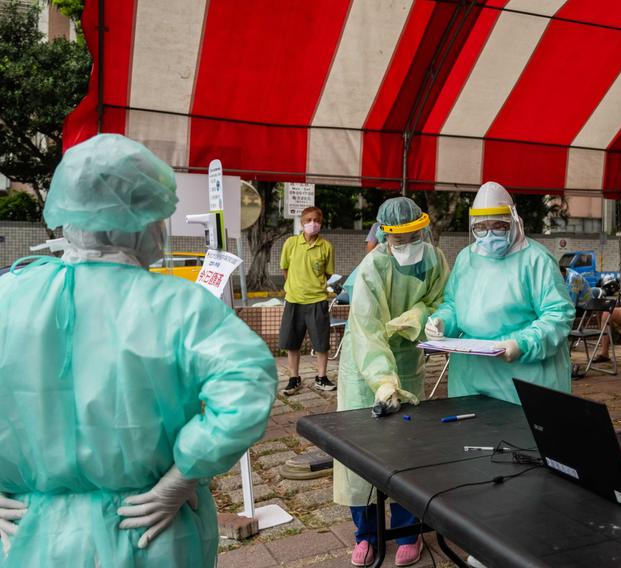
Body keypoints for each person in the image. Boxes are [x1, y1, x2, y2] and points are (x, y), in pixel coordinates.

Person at [0, 134, 277, 566]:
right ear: (144, 219)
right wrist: (184, 475)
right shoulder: (179, 305)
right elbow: (248, 385)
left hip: (29, 536)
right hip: (152, 528)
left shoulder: (8, 297)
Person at [334, 197, 450, 567]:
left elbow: (441, 298)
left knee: (407, 452)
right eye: (398, 239)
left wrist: (422, 317)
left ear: (423, 228)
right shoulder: (373, 267)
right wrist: (383, 382)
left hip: (408, 361)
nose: (406, 244)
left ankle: (407, 529)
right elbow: (367, 331)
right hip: (363, 368)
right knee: (361, 455)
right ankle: (366, 534)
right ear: (385, 236)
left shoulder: (434, 259)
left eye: (413, 235)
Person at [425, 181, 574, 405]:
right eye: (481, 227)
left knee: (520, 436)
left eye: (498, 226)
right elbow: (454, 305)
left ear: (513, 221)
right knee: (470, 434)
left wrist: (522, 343)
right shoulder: (467, 258)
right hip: (470, 374)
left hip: (523, 375)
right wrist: (442, 322)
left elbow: (558, 315)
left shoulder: (535, 260)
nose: (489, 234)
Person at [279, 206, 336, 394]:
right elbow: (284, 268)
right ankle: (294, 378)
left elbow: (327, 273)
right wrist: (295, 286)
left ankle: (321, 377)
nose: (313, 223)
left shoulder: (326, 247)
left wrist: (312, 286)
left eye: (317, 220)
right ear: (302, 222)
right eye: (309, 220)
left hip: (317, 301)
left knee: (321, 343)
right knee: (291, 342)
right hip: (294, 300)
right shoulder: (291, 243)